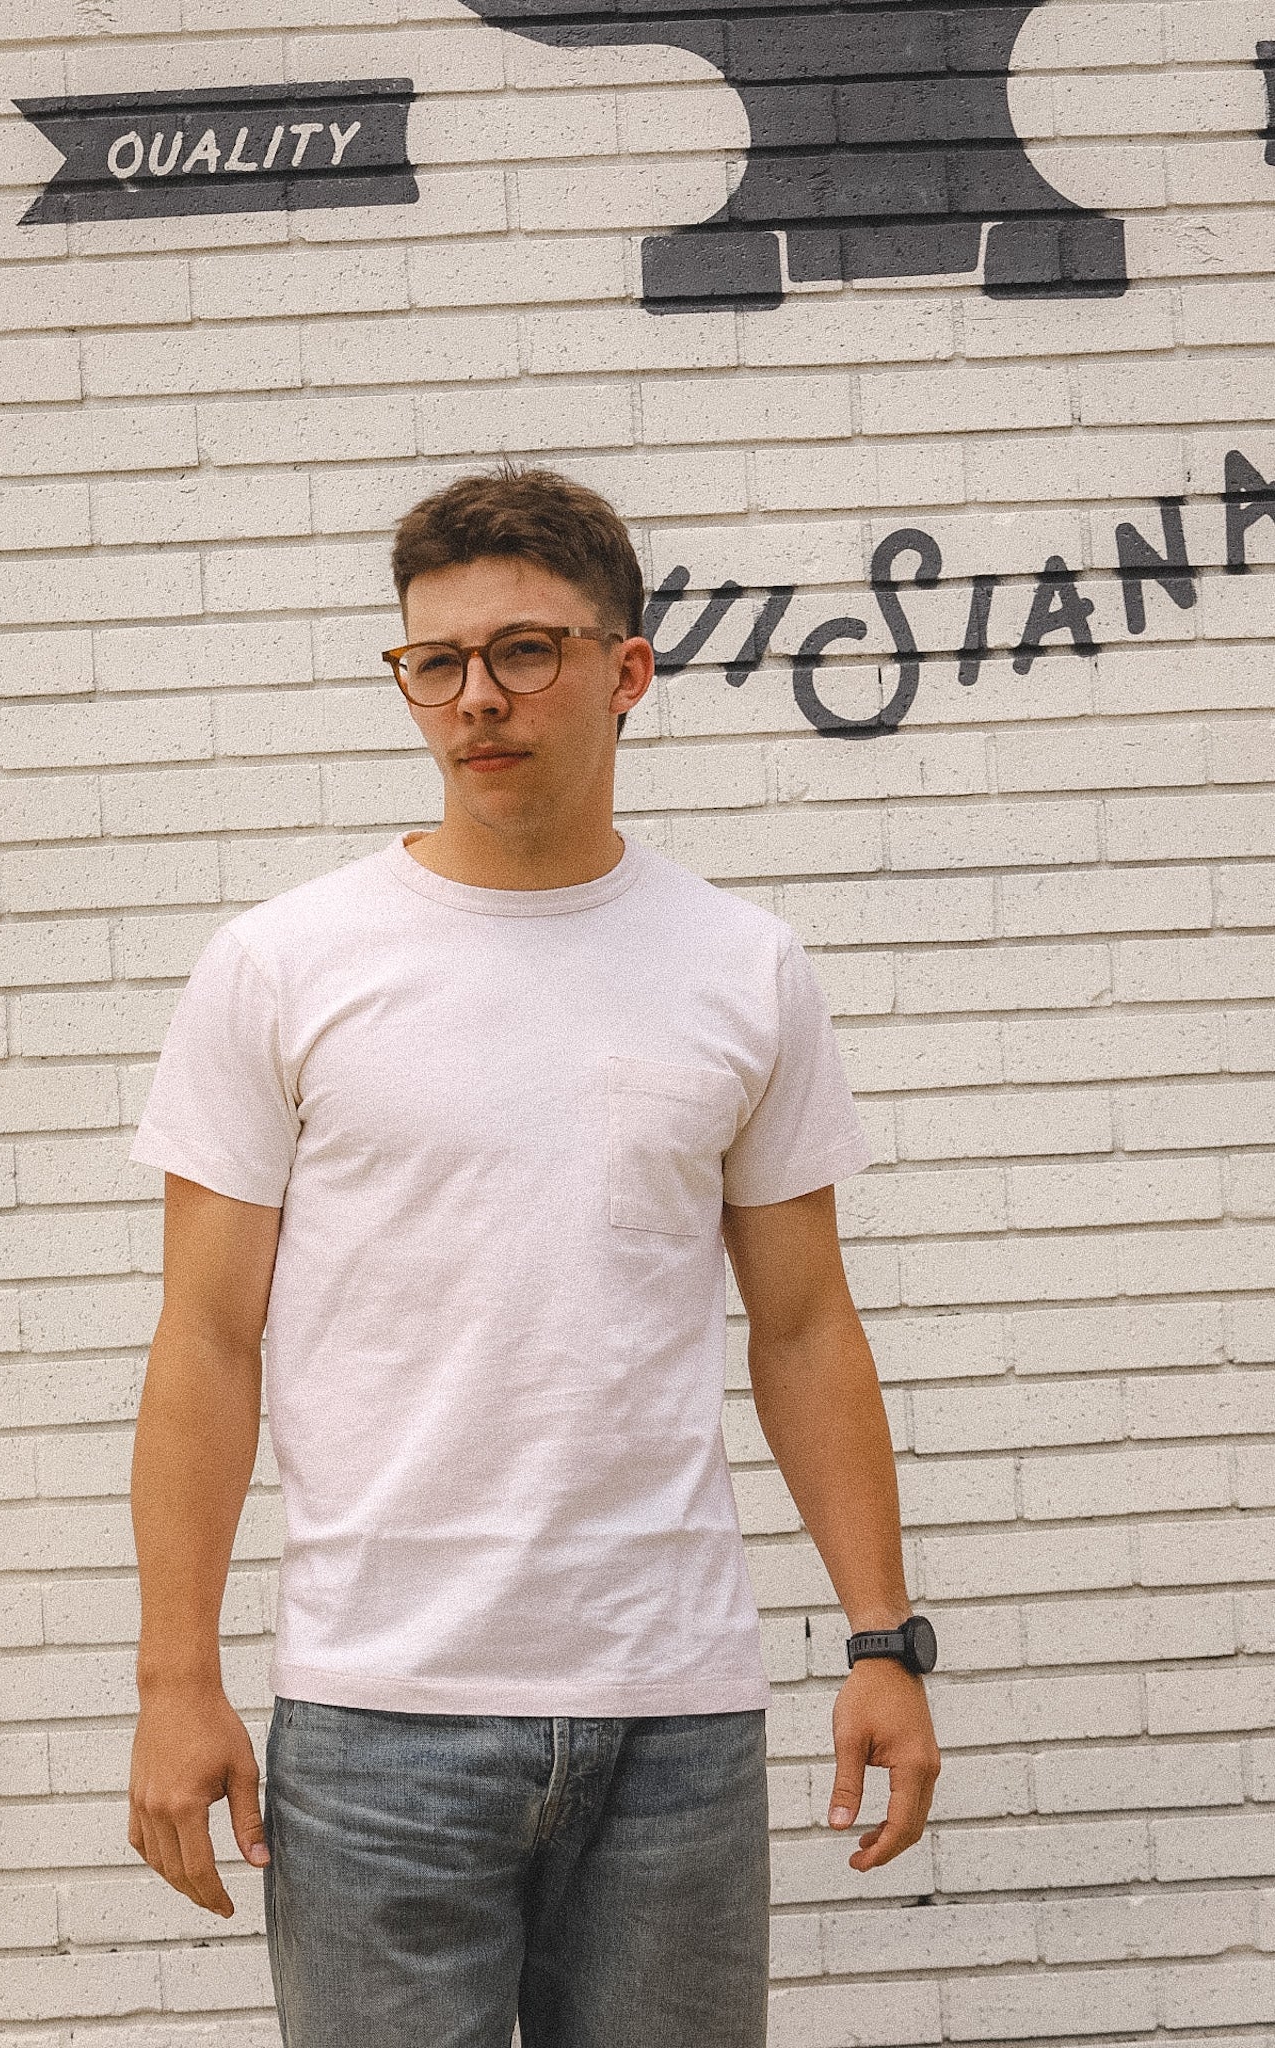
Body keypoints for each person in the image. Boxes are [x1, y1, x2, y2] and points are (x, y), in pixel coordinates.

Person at [125, 465, 940, 2048]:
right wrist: (177, 1680)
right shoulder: (284, 967)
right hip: (375, 1719)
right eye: (434, 663)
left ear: (625, 670)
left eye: (523, 653)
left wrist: (879, 1638)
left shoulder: (739, 966)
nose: (474, 702)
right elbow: (205, 1345)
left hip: (673, 1721)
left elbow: (802, 1326)